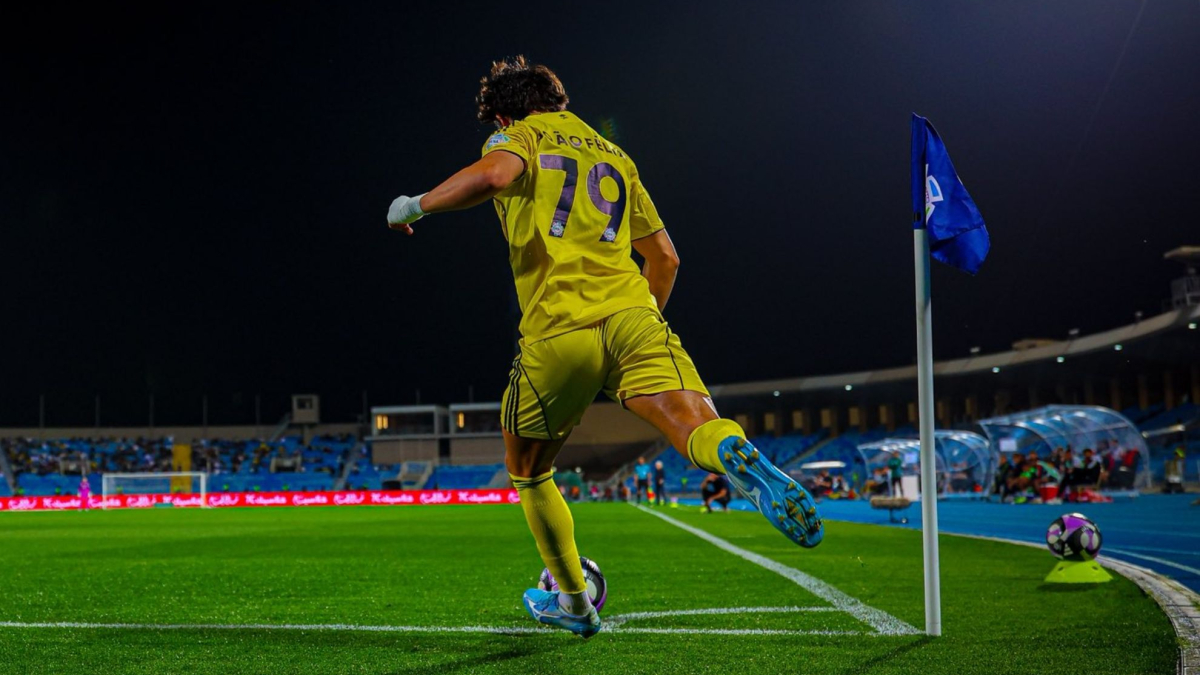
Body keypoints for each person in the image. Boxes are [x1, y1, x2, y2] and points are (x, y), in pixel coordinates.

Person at [385, 56, 823, 638]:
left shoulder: (522, 136)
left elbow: (490, 177)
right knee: (693, 422)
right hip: (632, 315)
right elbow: (665, 259)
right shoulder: (615, 155)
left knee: (529, 470)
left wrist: (412, 206)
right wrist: (635, 330)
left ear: (500, 113)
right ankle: (730, 452)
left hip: (557, 330)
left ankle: (574, 604)